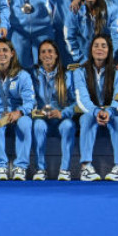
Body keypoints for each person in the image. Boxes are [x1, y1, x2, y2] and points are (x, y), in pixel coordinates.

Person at [73, 34, 118, 182]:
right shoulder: (80, 72)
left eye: (104, 46)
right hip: (91, 111)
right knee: (85, 119)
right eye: (96, 45)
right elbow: (82, 98)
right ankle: (86, 167)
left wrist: (109, 111)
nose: (99, 49)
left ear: (109, 50)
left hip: (112, 111)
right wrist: (96, 111)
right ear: (90, 49)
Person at [0, 38, 35, 181]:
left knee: (25, 122)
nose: (1, 54)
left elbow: (30, 101)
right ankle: (0, 167)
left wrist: (19, 112)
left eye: (5, 50)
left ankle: (20, 167)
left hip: (16, 112)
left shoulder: (23, 75)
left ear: (12, 53)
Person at [30, 40, 77, 181]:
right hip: (42, 119)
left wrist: (63, 113)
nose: (47, 54)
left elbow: (77, 103)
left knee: (69, 126)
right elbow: (29, 97)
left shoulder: (67, 76)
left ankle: (65, 170)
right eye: (43, 52)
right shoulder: (34, 75)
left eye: (50, 51)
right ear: (39, 56)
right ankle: (40, 169)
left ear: (56, 55)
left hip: (61, 119)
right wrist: (36, 111)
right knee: (38, 126)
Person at [64, 0, 109, 66]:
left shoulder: (109, 9)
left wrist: (111, 59)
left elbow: (114, 36)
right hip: (83, 58)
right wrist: (81, 59)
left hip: (105, 58)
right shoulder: (75, 10)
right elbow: (69, 37)